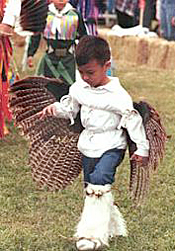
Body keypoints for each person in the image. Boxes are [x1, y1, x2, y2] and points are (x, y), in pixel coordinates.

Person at [40, 35, 149, 250]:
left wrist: (142, 148)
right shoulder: (79, 89)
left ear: (106, 66)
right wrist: (55, 109)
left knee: (99, 182)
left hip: (112, 145)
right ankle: (113, 224)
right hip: (87, 145)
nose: (86, 77)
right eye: (82, 73)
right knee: (92, 188)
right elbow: (70, 108)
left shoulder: (118, 95)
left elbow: (133, 120)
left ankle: (91, 235)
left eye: (91, 72)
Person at [26, 0, 87, 99]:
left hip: (68, 57)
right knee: (47, 85)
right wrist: (30, 54)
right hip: (50, 57)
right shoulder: (44, 14)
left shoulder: (75, 15)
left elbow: (83, 36)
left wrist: (85, 55)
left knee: (69, 85)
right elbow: (36, 35)